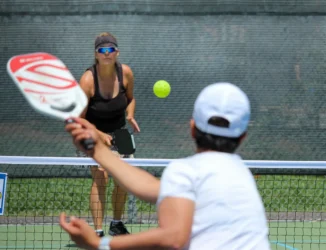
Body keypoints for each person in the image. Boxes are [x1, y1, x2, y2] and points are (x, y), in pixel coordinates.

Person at [60, 82, 271, 250]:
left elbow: (173, 238)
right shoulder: (241, 175)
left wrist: (98, 244)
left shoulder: (186, 172)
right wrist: (97, 150)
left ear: (192, 128)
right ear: (243, 137)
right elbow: (151, 188)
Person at [78, 32, 140, 237]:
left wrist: (130, 115)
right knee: (101, 178)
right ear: (96, 54)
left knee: (124, 179)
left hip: (120, 132)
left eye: (110, 49)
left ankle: (116, 223)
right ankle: (98, 230)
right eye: (102, 50)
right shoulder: (88, 79)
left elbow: (130, 98)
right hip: (92, 133)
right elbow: (79, 117)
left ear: (117, 52)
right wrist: (99, 134)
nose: (106, 53)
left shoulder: (126, 73)